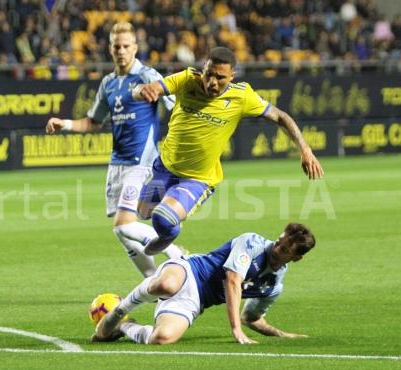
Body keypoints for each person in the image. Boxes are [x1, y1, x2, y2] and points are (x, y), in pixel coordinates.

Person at [131, 47, 324, 255]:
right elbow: (148, 89)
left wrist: (305, 149)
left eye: (220, 77)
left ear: (232, 76)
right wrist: (143, 90)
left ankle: (171, 232)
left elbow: (280, 117)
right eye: (209, 74)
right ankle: (172, 216)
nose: (212, 82)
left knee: (163, 219)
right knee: (142, 213)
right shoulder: (187, 79)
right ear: (203, 69)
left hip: (197, 178)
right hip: (165, 166)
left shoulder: (241, 97)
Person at [46, 22, 183, 277]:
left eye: (126, 46)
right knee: (122, 232)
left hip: (141, 164)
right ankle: (153, 283)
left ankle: (179, 254)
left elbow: (176, 105)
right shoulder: (108, 84)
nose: (121, 51)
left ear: (135, 48)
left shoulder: (148, 76)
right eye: (116, 46)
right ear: (110, 48)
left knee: (123, 226)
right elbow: (92, 122)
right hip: (117, 164)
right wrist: (63, 123)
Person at [92, 222, 315, 345]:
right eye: (278, 242)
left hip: (196, 301)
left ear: (296, 258)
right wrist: (236, 329)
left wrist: (280, 334)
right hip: (190, 270)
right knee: (166, 285)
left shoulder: (274, 286)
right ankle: (121, 308)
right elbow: (232, 280)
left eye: (284, 250)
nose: (276, 249)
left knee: (161, 338)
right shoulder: (253, 243)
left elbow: (252, 318)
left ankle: (123, 325)